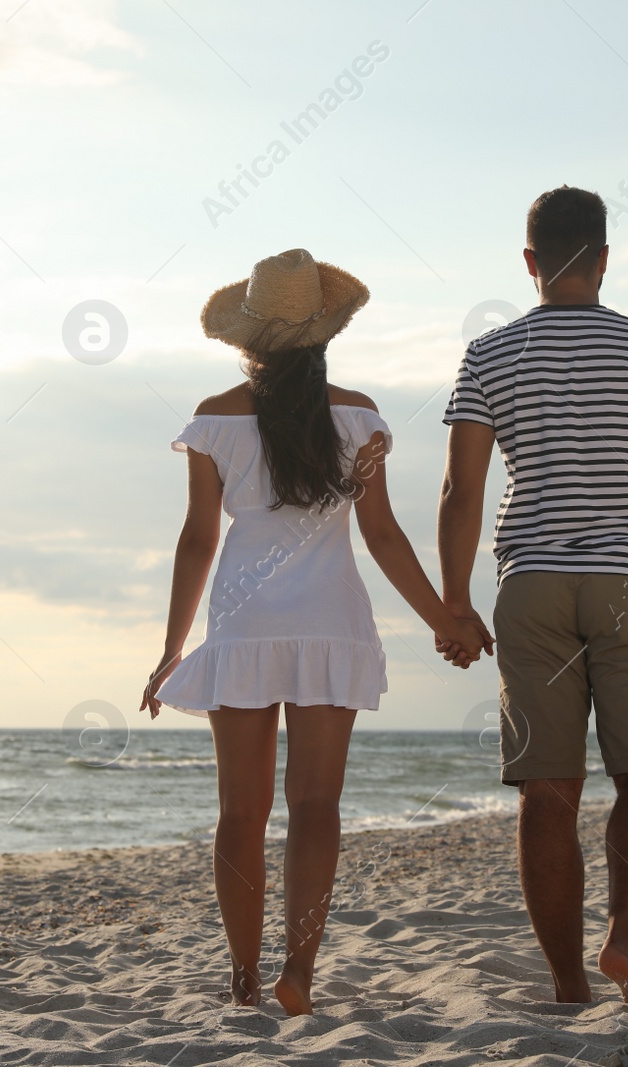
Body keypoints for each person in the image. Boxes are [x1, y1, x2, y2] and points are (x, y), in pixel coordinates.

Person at [141, 248, 489, 1015]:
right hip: (331, 620)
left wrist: (172, 648)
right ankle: (298, 966)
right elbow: (385, 536)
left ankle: (242, 975)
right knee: (317, 805)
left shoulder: (213, 420)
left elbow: (198, 540)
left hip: (243, 622)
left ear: (248, 339)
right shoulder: (359, 416)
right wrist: (447, 620)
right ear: (324, 334)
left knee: (241, 812)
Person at [436, 186, 628, 1006]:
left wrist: (455, 601)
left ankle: (566, 985)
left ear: (530, 262)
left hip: (534, 582)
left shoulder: (490, 354)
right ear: (603, 258)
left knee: (548, 789)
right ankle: (625, 942)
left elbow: (460, 491)